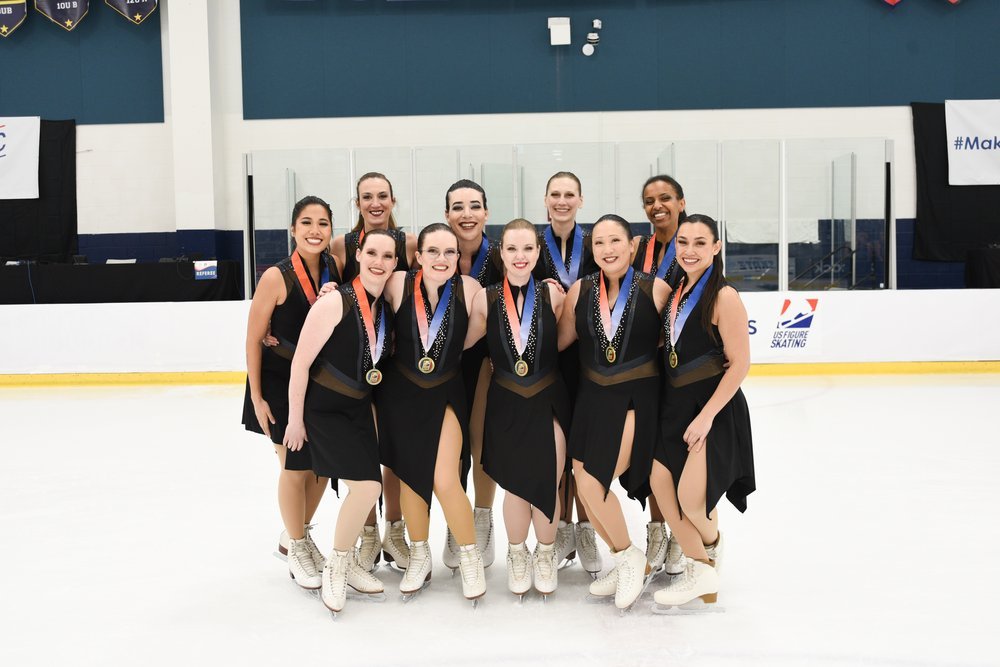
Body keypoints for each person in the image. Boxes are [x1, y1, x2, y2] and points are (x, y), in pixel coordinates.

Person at [557, 214, 671, 610]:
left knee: (593, 480)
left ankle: (628, 556)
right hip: (591, 398)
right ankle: (625, 560)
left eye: (615, 241)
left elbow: (672, 344)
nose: (607, 249)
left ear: (631, 245)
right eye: (600, 243)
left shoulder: (656, 289)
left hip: (637, 397)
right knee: (581, 477)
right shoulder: (580, 291)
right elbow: (559, 345)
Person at [283, 229, 398, 614]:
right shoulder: (335, 302)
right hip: (324, 410)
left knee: (369, 489)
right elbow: (300, 363)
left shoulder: (384, 307)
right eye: (372, 253)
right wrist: (295, 421)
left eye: (387, 255)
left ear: (395, 263)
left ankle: (343, 561)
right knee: (367, 489)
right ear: (359, 255)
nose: (379, 261)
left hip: (359, 410)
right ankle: (337, 565)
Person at [649, 214, 755, 610]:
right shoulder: (677, 290)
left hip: (711, 409)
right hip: (675, 407)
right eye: (683, 243)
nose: (689, 251)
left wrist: (707, 416)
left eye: (699, 243)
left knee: (692, 501)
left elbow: (740, 364)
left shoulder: (724, 296)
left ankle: (707, 554)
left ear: (716, 247)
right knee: (660, 483)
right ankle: (702, 565)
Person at [378, 223, 487, 601]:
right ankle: (419, 553)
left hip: (445, 391)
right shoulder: (396, 284)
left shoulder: (470, 289)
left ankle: (470, 556)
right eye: (434, 251)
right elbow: (358, 298)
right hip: (402, 392)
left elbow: (484, 327)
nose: (442, 259)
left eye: (450, 252)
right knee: (410, 477)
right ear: (419, 255)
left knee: (444, 477)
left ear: (459, 257)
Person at [466, 218, 570, 599]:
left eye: (528, 249)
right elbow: (459, 345)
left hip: (548, 396)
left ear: (539, 253)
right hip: (506, 399)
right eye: (512, 249)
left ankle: (545, 554)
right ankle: (516, 554)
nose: (520, 256)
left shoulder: (554, 296)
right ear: (501, 253)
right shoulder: (485, 298)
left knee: (547, 477)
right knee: (514, 485)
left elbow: (574, 341)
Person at [242, 195, 342, 591]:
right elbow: (252, 339)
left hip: (316, 382)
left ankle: (294, 535)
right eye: (306, 223)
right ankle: (298, 544)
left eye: (322, 223)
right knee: (294, 466)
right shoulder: (275, 277)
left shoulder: (332, 267)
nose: (315, 230)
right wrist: (257, 396)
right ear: (292, 230)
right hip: (277, 383)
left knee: (322, 466)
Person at [331, 172, 415, 573]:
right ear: (358, 202)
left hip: (395, 359)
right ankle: (366, 532)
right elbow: (327, 295)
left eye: (383, 195)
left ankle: (394, 530)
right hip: (354, 364)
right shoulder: (341, 246)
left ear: (393, 200)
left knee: (394, 451)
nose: (375, 203)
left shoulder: (410, 243)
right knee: (363, 446)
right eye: (367, 197)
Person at [531, 171, 602, 576]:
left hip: (592, 360)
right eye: (555, 194)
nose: (562, 201)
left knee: (584, 448)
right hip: (547, 360)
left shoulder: (595, 244)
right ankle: (559, 528)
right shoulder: (531, 247)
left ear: (580, 199)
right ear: (545, 200)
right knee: (555, 450)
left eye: (569, 194)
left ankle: (587, 526)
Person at [444, 179, 504, 571]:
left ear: (486, 212)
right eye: (458, 207)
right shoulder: (434, 253)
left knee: (482, 443)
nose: (467, 214)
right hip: (443, 363)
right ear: (446, 214)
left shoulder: (503, 256)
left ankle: (481, 517)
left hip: (491, 361)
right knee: (451, 448)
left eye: (474, 206)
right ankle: (456, 516)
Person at [631, 174, 688, 576]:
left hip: (684, 364)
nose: (657, 206)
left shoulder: (694, 242)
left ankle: (686, 533)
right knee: (653, 454)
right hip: (647, 366)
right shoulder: (639, 249)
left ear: (681, 202)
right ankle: (657, 529)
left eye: (665, 198)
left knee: (684, 453)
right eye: (650, 200)